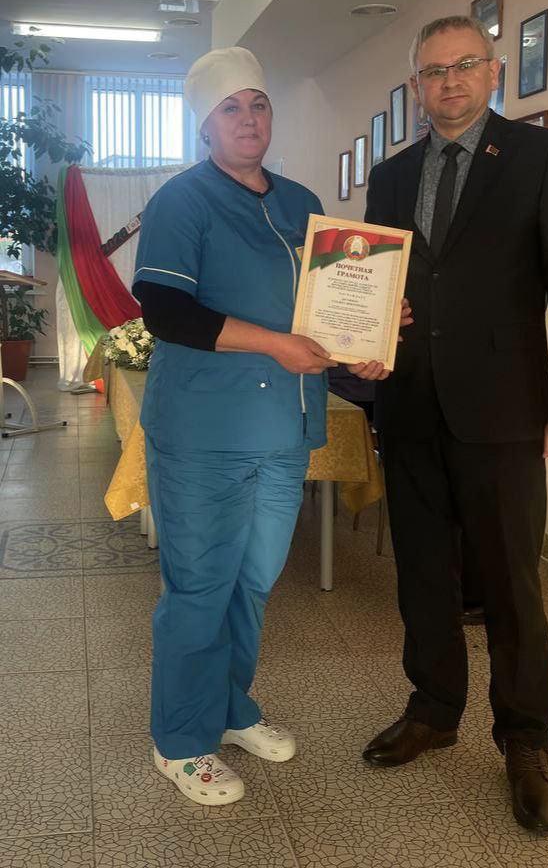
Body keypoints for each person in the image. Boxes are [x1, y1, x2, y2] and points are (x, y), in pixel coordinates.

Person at [354, 15, 548, 835]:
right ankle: (432, 709)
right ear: (416, 86)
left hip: (505, 409)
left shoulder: (541, 156)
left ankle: (525, 739)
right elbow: (378, 286)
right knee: (423, 572)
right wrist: (370, 333)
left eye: (464, 65)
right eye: (433, 71)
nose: (449, 81)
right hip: (409, 405)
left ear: (494, 72)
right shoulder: (390, 177)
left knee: (509, 584)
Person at [132, 47, 340, 806]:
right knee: (199, 588)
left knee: (251, 584)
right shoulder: (182, 202)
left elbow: (326, 305)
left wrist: (374, 328)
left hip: (283, 430)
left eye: (258, 104)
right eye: (230, 108)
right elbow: (166, 311)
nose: (248, 119)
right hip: (204, 433)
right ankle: (180, 741)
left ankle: (227, 708)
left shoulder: (301, 202)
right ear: (205, 125)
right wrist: (274, 344)